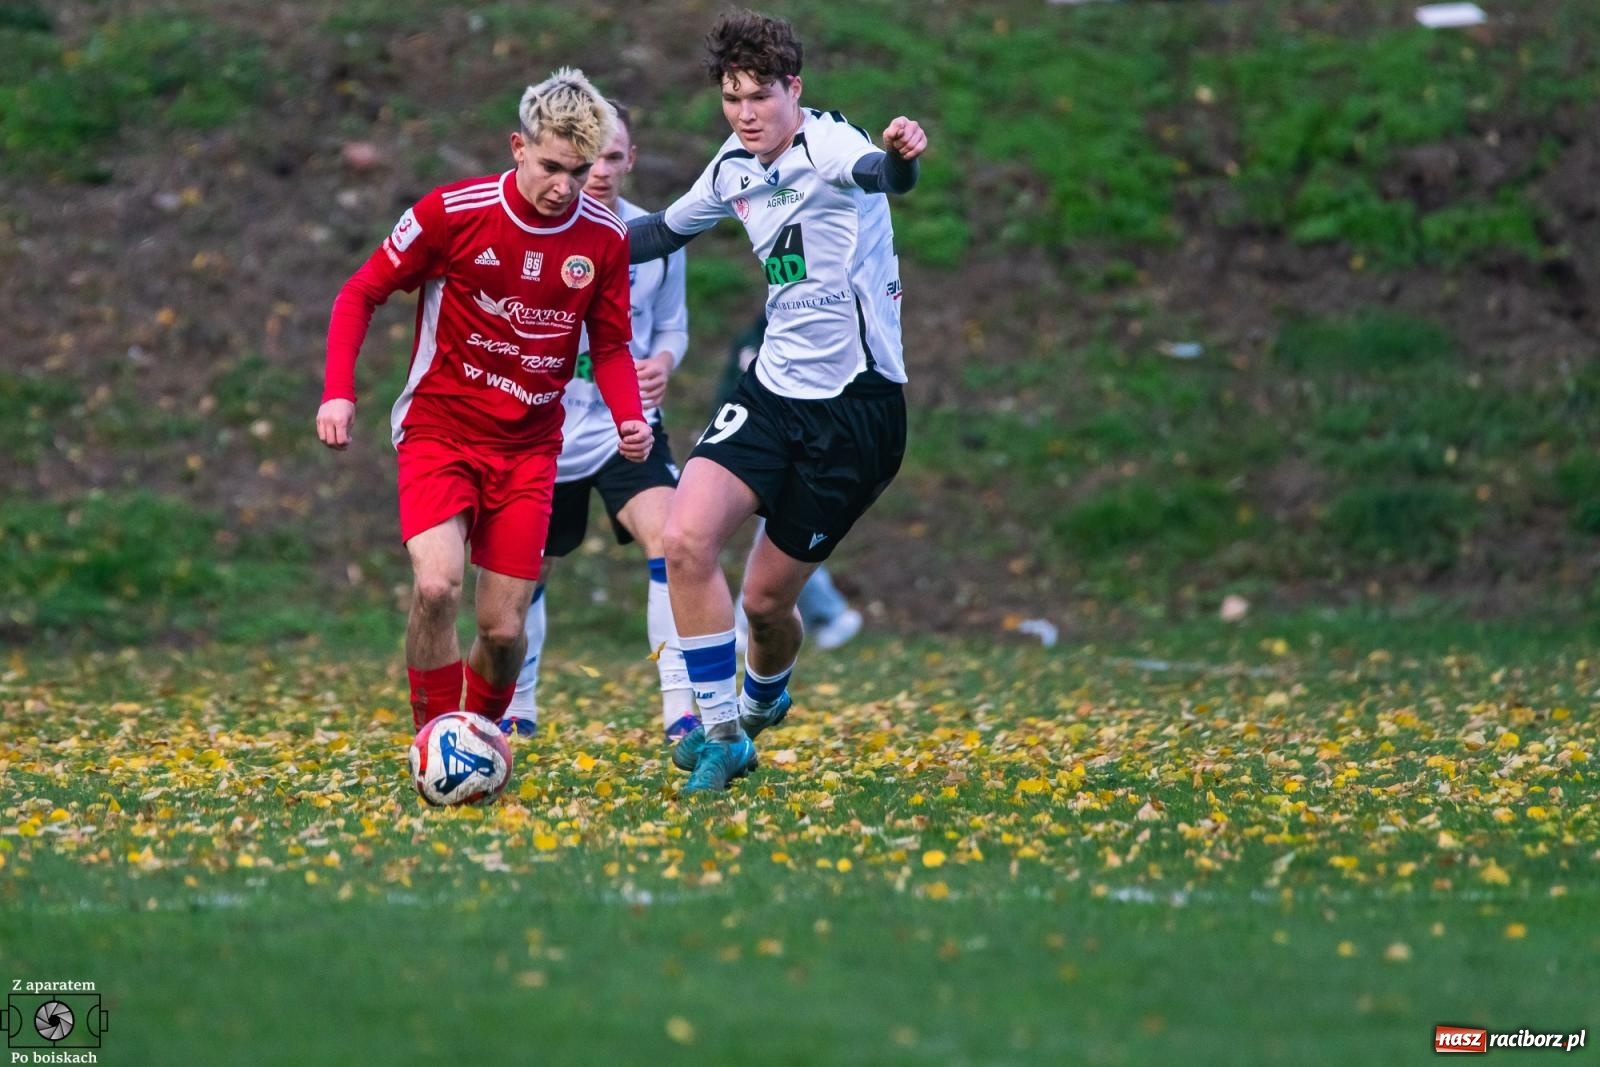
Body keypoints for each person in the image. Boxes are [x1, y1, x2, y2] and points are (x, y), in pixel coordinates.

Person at [627, 8, 927, 793]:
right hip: (771, 393)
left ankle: (762, 696)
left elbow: (878, 175)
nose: (747, 113)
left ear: (794, 89)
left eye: (761, 95)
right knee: (686, 541)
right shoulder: (733, 165)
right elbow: (661, 231)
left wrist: (899, 159)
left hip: (856, 412)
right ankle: (722, 735)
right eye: (732, 98)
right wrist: (550, 234)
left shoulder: (828, 144)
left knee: (765, 604)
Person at [316, 68, 650, 732]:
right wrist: (338, 392)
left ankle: (484, 739)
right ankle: (436, 741)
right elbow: (360, 293)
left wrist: (629, 417)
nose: (565, 187)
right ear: (518, 146)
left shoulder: (605, 239)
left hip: (528, 451)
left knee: (501, 633)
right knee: (437, 586)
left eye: (580, 172)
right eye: (552, 166)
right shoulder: (451, 213)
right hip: (441, 432)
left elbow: (609, 344)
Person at [502, 103, 699, 743]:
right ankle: (516, 709)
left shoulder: (656, 234)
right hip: (543, 430)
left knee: (672, 541)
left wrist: (665, 360)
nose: (602, 172)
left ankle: (682, 712)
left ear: (631, 159)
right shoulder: (535, 231)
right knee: (527, 569)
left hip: (628, 427)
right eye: (593, 159)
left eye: (616, 158)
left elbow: (673, 323)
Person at [724, 315, 863, 653]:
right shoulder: (754, 339)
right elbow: (730, 395)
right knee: (778, 539)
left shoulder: (828, 336)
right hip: (752, 441)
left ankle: (746, 623)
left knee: (780, 538)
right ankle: (831, 614)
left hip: (800, 448)